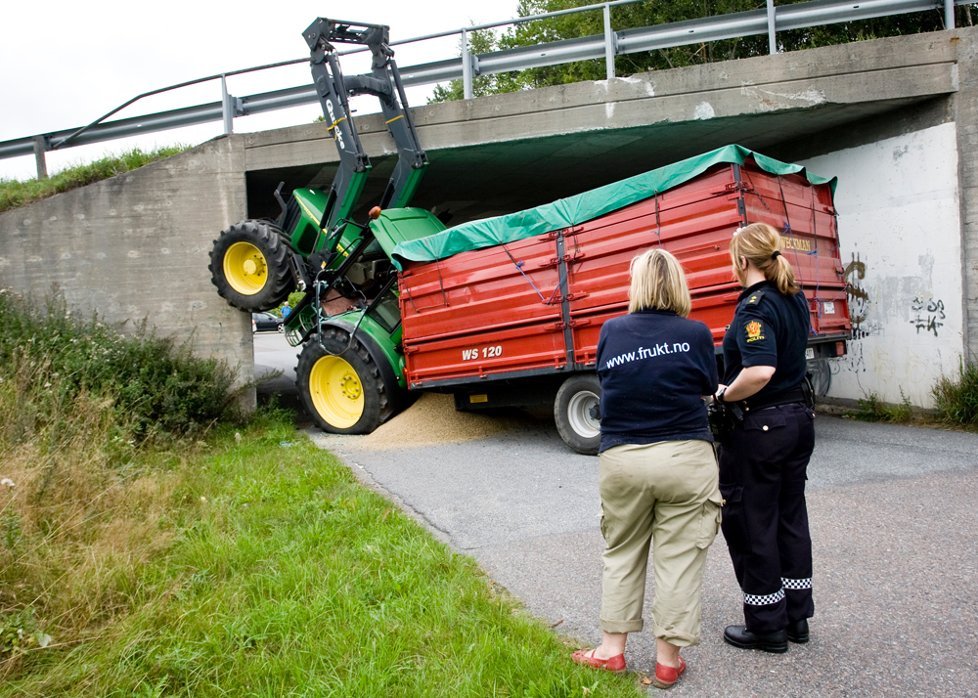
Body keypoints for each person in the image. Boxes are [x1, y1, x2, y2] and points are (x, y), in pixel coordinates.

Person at [572, 248, 722, 689]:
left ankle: (610, 651)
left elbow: (611, 382)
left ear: (635, 285)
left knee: (621, 553)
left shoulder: (612, 331)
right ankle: (666, 662)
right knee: (678, 560)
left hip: (623, 459)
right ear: (678, 284)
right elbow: (707, 388)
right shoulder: (696, 333)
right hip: (685, 457)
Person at [714, 222, 816, 653]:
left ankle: (766, 625)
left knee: (753, 522)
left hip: (762, 426)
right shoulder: (795, 298)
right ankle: (796, 617)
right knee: (790, 519)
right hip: (798, 419)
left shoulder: (754, 307)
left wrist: (724, 393)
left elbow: (759, 370)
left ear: (742, 261)